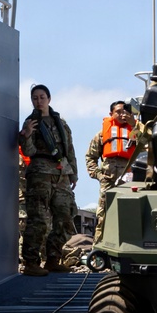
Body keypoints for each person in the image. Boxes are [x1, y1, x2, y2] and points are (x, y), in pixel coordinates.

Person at [19, 85, 76, 275]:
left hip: (61, 173)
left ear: (49, 99)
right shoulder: (31, 123)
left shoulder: (61, 122)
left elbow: (69, 148)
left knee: (65, 216)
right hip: (40, 173)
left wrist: (73, 173)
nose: (39, 101)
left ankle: (53, 258)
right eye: (35, 98)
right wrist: (26, 136)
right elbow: (29, 151)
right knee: (39, 219)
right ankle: (31, 262)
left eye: (42, 97)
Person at [85, 100, 138, 243]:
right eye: (118, 112)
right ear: (111, 114)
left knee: (130, 214)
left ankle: (129, 247)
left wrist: (134, 124)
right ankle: (99, 248)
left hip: (130, 182)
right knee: (103, 215)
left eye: (125, 111)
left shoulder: (136, 131)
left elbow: (148, 142)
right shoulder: (102, 134)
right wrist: (99, 175)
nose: (122, 115)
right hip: (108, 181)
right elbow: (90, 157)